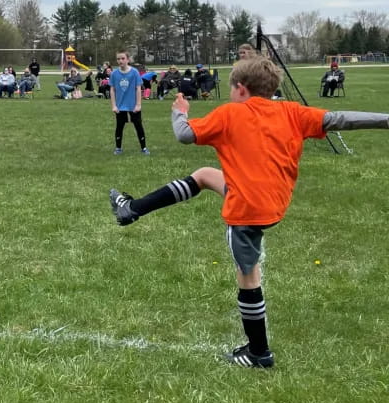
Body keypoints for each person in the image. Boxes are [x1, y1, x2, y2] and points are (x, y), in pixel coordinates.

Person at [108, 56, 389, 369]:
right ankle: (130, 210)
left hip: (248, 209)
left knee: (248, 276)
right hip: (273, 200)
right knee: (205, 175)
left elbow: (184, 134)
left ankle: (259, 353)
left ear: (241, 88)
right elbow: (339, 118)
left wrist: (179, 112)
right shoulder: (292, 112)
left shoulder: (231, 113)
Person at [109, 51, 148, 155]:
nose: (120, 61)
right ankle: (118, 148)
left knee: (138, 125)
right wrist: (114, 105)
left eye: (122, 58)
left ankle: (144, 148)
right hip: (120, 106)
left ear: (127, 59)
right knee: (119, 126)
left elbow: (138, 88)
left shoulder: (134, 72)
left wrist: (138, 104)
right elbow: (112, 90)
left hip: (133, 105)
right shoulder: (114, 74)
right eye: (118, 59)